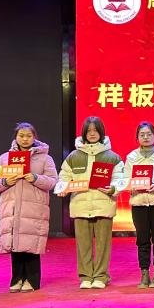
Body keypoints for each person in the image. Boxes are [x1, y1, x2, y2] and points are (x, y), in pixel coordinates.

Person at [0, 122, 57, 292]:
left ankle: (32, 280)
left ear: (34, 137)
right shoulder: (5, 158)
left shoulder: (45, 158)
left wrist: (35, 178)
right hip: (12, 208)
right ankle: (17, 279)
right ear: (16, 137)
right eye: (21, 135)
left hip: (34, 208)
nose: (25, 139)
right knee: (15, 244)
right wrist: (5, 181)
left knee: (31, 244)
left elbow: (53, 181)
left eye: (28, 136)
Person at [58, 116, 124, 289]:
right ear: (84, 133)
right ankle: (86, 277)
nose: (92, 134)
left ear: (101, 132)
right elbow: (64, 177)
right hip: (80, 205)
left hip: (104, 204)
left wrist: (113, 188)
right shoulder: (73, 157)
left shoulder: (113, 157)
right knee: (83, 244)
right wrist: (63, 188)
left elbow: (120, 179)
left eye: (95, 130)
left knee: (103, 244)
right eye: (89, 131)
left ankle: (101, 276)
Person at [125, 122, 154, 289]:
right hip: (139, 202)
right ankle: (144, 273)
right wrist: (132, 186)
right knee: (142, 239)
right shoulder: (131, 157)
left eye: (149, 134)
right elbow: (126, 179)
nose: (145, 137)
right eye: (142, 134)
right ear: (137, 137)